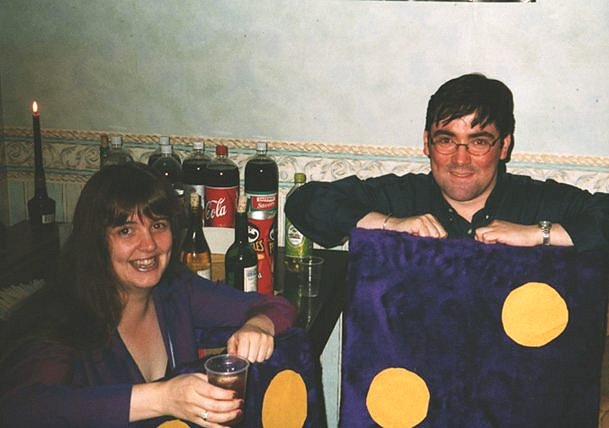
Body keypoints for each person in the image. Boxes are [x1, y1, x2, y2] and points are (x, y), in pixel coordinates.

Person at [0, 162, 296, 427]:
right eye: (126, 231)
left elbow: (277, 307)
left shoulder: (176, 290)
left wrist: (258, 325)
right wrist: (162, 397)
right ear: (96, 240)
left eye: (158, 225)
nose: (149, 245)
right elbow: (22, 409)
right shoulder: (58, 314)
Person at [285, 73, 609, 252]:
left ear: (504, 147)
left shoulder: (535, 200)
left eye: (479, 142)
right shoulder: (402, 196)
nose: (460, 159)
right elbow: (304, 202)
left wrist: (538, 233)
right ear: (427, 143)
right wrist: (391, 224)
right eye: (446, 140)